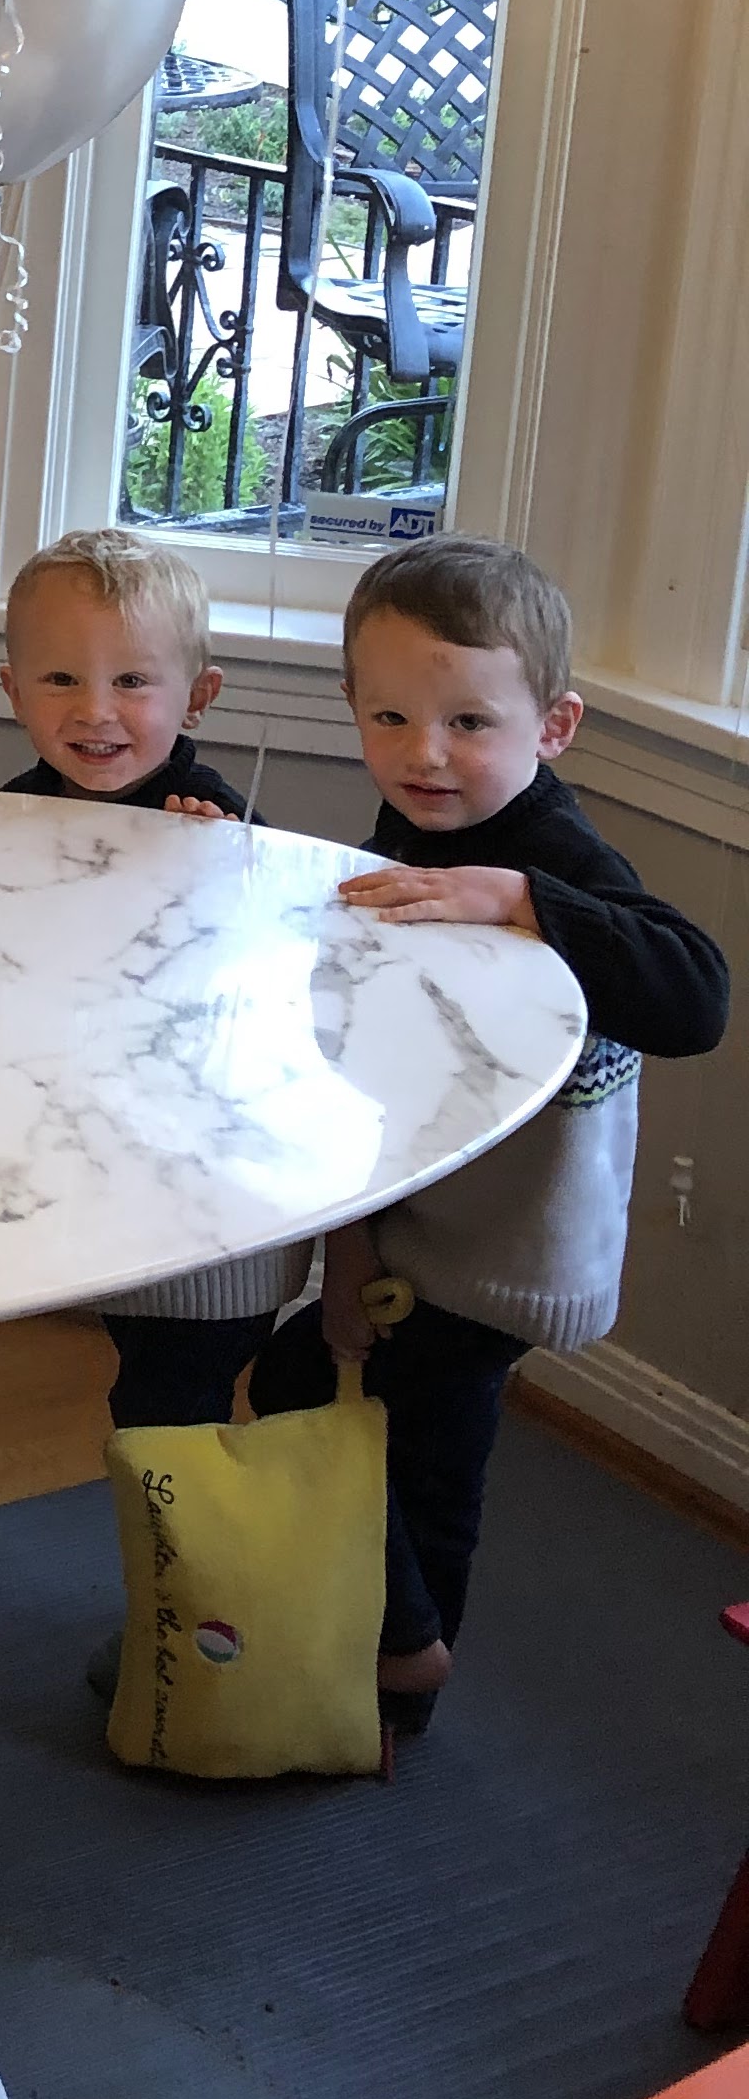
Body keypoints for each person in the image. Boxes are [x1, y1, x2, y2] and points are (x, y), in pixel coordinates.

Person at [248, 539, 726, 1735]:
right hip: (426, 1208)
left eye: (469, 721)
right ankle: (367, 1628)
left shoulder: (550, 849)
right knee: (313, 1372)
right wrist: (353, 1244)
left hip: (505, 1243)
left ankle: (406, 1660)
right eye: (392, 715)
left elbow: (696, 993)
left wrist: (523, 901)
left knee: (428, 1453)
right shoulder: (414, 816)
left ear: (552, 726)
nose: (425, 753)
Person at [0, 527, 302, 1438]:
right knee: (140, 1370)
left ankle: (184, 1566)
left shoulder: (211, 824)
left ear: (198, 696)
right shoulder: (6, 815)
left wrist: (216, 875)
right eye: (61, 681)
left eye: (132, 682)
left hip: (202, 1187)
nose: (96, 711)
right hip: (91, 1168)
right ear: (13, 691)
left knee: (169, 1400)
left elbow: (263, 980)